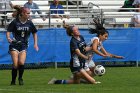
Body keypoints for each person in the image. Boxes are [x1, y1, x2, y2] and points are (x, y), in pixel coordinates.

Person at [6, 7, 39, 85]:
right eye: (27, 13)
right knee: (15, 64)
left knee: (21, 62)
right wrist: (8, 38)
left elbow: (34, 33)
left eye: (29, 13)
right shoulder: (15, 22)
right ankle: (13, 81)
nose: (29, 15)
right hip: (14, 44)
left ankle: (20, 78)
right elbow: (8, 31)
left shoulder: (30, 23)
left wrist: (35, 44)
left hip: (23, 45)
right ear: (23, 13)